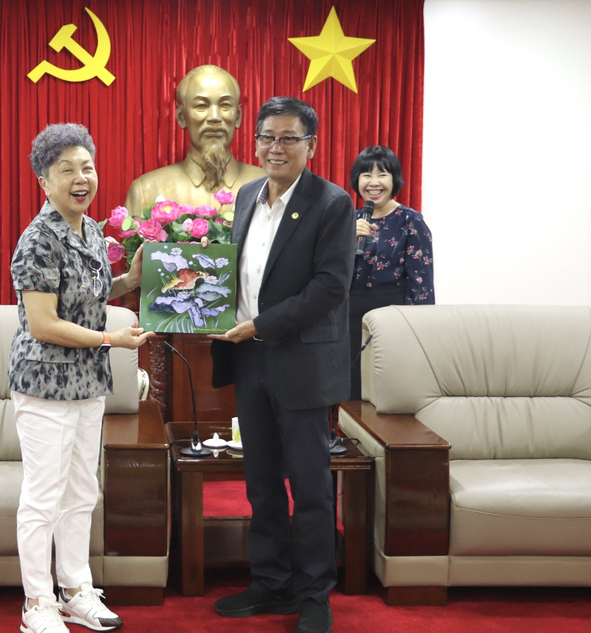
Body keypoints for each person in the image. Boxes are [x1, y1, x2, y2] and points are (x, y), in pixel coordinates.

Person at [210, 97, 355, 633]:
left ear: (310, 146)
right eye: (267, 136)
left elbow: (330, 287)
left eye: (289, 138)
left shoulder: (332, 202)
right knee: (261, 482)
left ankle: (315, 594)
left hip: (302, 365)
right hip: (249, 361)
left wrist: (261, 324)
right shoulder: (248, 195)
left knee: (310, 486)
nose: (276, 146)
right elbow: (236, 272)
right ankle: (271, 585)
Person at [8, 123, 153, 633]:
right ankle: (38, 603)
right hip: (44, 386)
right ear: (44, 181)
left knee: (82, 492)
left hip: (87, 383)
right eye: (65, 169)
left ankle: (75, 590)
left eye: (86, 166)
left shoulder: (90, 230)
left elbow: (86, 297)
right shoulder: (37, 240)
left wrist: (129, 281)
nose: (80, 177)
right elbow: (45, 322)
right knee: (43, 496)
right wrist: (111, 341)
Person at [348, 146, 434, 399]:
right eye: (366, 174)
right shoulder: (350, 220)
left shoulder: (410, 220)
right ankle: (351, 438)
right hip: (351, 315)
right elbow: (332, 275)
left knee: (388, 388)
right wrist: (347, 242)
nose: (373, 182)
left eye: (382, 174)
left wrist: (419, 327)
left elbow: (422, 282)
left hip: (393, 314)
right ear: (357, 180)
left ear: (394, 179)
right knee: (353, 387)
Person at [124, 65, 264, 214]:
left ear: (238, 116)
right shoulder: (146, 192)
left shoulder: (269, 187)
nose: (215, 117)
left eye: (225, 105)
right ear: (181, 117)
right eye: (201, 106)